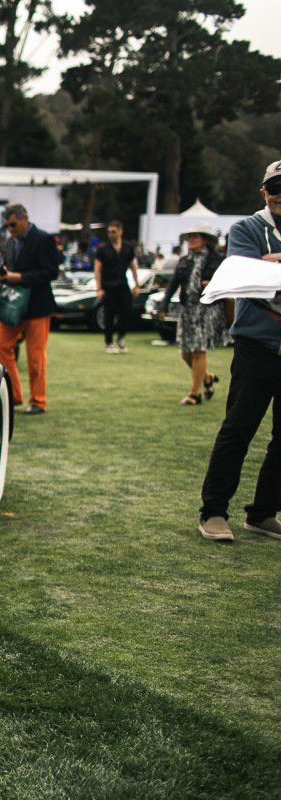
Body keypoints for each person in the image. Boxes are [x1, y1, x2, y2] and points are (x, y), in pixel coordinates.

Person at [197, 159, 281, 542]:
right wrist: (265, 266)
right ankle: (213, 512)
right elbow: (246, 274)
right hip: (257, 345)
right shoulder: (247, 227)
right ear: (264, 191)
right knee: (238, 430)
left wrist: (272, 264)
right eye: (275, 187)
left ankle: (263, 514)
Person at [0, 202, 59, 415]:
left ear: (25, 219)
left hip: (37, 306)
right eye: (7, 226)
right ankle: (14, 395)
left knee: (35, 355)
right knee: (0, 344)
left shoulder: (44, 239)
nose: (10, 229)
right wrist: (2, 272)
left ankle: (38, 401)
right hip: (13, 305)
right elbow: (12, 267)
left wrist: (19, 277)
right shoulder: (10, 242)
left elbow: (51, 273)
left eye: (13, 224)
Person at [159, 223, 227, 407]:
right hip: (187, 308)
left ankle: (194, 394)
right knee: (185, 352)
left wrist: (212, 284)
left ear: (205, 240)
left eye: (195, 237)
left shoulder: (217, 259)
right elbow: (173, 284)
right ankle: (206, 378)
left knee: (198, 349)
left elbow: (226, 281)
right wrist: (163, 305)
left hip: (207, 308)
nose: (191, 240)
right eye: (189, 237)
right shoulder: (184, 260)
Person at [93, 220, 140, 353]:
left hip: (123, 284)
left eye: (113, 232)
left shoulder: (127, 247)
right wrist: (99, 288)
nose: (110, 234)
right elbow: (97, 269)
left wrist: (136, 285)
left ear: (120, 231)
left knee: (127, 312)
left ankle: (120, 337)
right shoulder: (103, 249)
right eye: (109, 232)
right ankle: (108, 342)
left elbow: (133, 266)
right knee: (109, 314)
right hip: (108, 285)